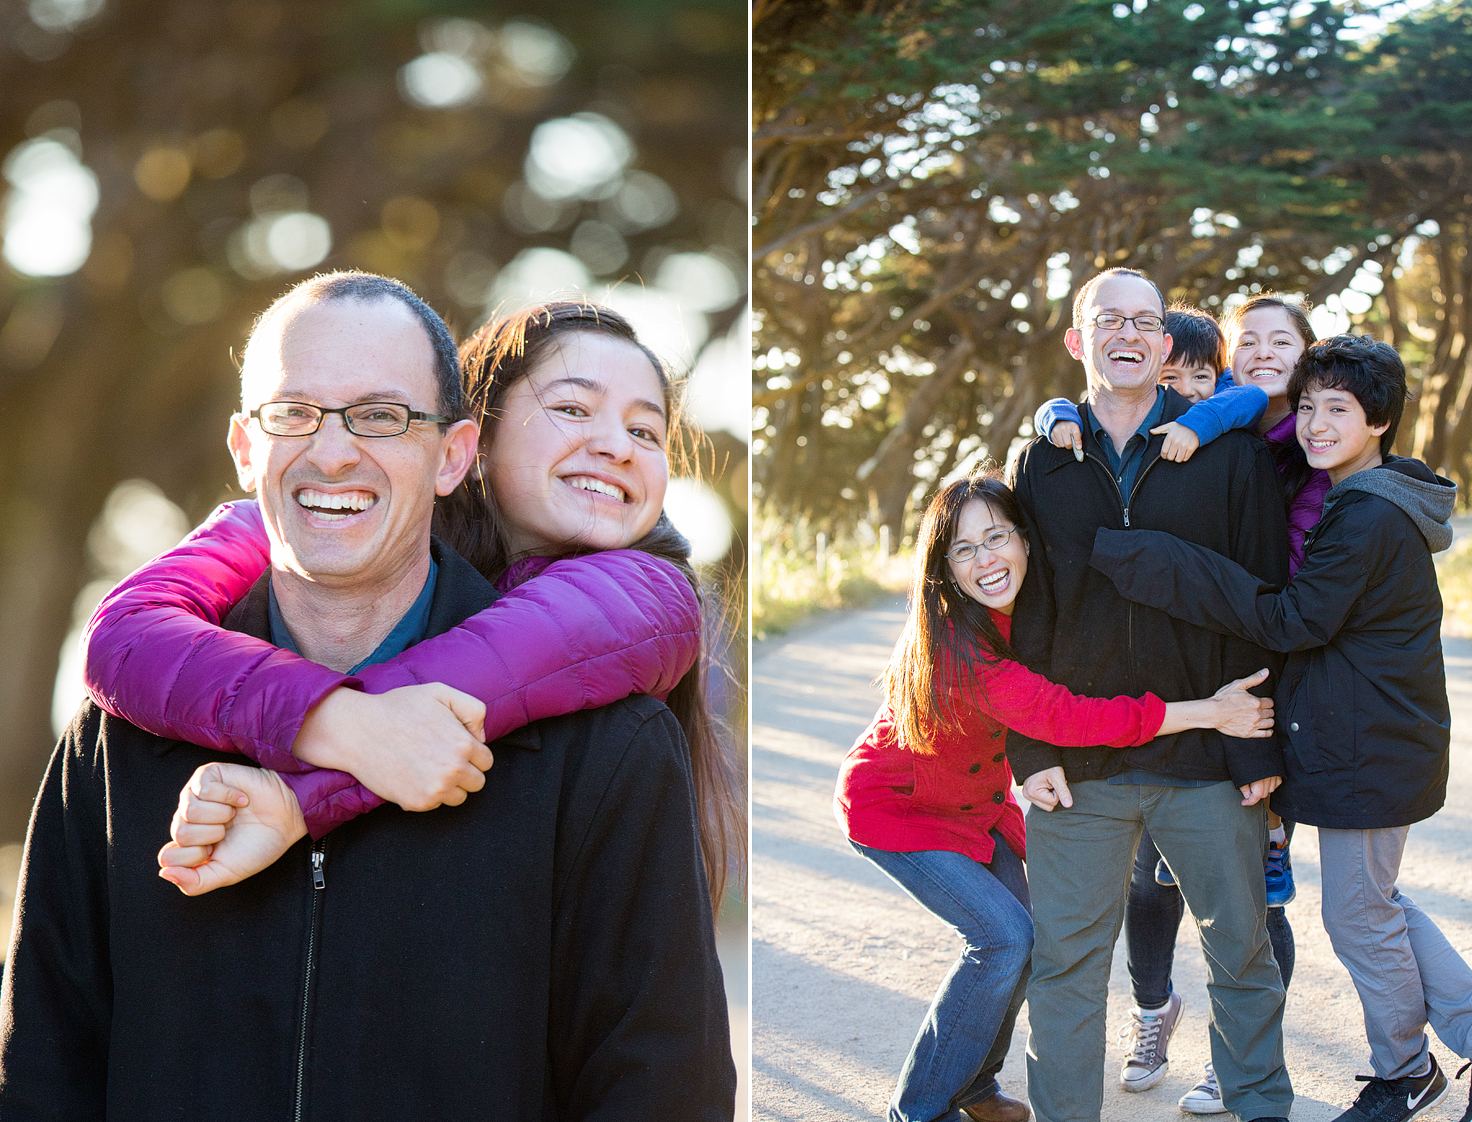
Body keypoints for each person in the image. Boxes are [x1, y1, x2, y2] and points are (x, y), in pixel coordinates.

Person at [0, 274, 735, 1120]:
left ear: (452, 453)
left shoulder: (606, 736)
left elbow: (659, 1085)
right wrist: (336, 723)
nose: (334, 451)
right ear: (245, 447)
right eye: (295, 413)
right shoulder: (118, 738)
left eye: (382, 416)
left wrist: (297, 794)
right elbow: (45, 1075)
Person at [77, 295, 742, 911]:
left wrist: (298, 796)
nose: (617, 446)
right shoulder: (329, 509)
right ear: (470, 443)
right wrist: (337, 725)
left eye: (646, 432)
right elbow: (127, 636)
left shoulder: (648, 594)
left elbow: (483, 677)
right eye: (573, 408)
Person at [1091, 334, 1472, 1122]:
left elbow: (1292, 619)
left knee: (1360, 914)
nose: (1314, 423)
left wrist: (1168, 562)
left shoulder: (1367, 516)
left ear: (1377, 420)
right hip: (1376, 741)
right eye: (1307, 406)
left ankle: (1405, 1071)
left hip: (1372, 748)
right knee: (1376, 903)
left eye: (1336, 410)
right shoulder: (1363, 498)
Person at [836, 469, 1276, 1122]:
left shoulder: (1033, 611)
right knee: (1003, 939)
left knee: (1032, 940)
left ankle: (975, 1087)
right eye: (964, 549)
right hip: (896, 810)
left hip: (972, 809)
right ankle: (919, 1110)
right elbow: (1072, 716)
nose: (986, 559)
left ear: (1025, 538)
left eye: (996, 537)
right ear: (944, 569)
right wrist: (1206, 711)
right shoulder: (963, 646)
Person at [1006, 267, 1293, 1122]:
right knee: (1064, 967)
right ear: (1077, 340)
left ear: (1166, 345)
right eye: (1108, 320)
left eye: (1145, 321)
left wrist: (1257, 751)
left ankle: (1257, 1110)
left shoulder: (1231, 454)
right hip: (1080, 766)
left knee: (1241, 957)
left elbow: (1261, 602)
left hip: (1209, 757)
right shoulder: (1041, 461)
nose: (1127, 334)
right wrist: (1030, 751)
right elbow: (1027, 618)